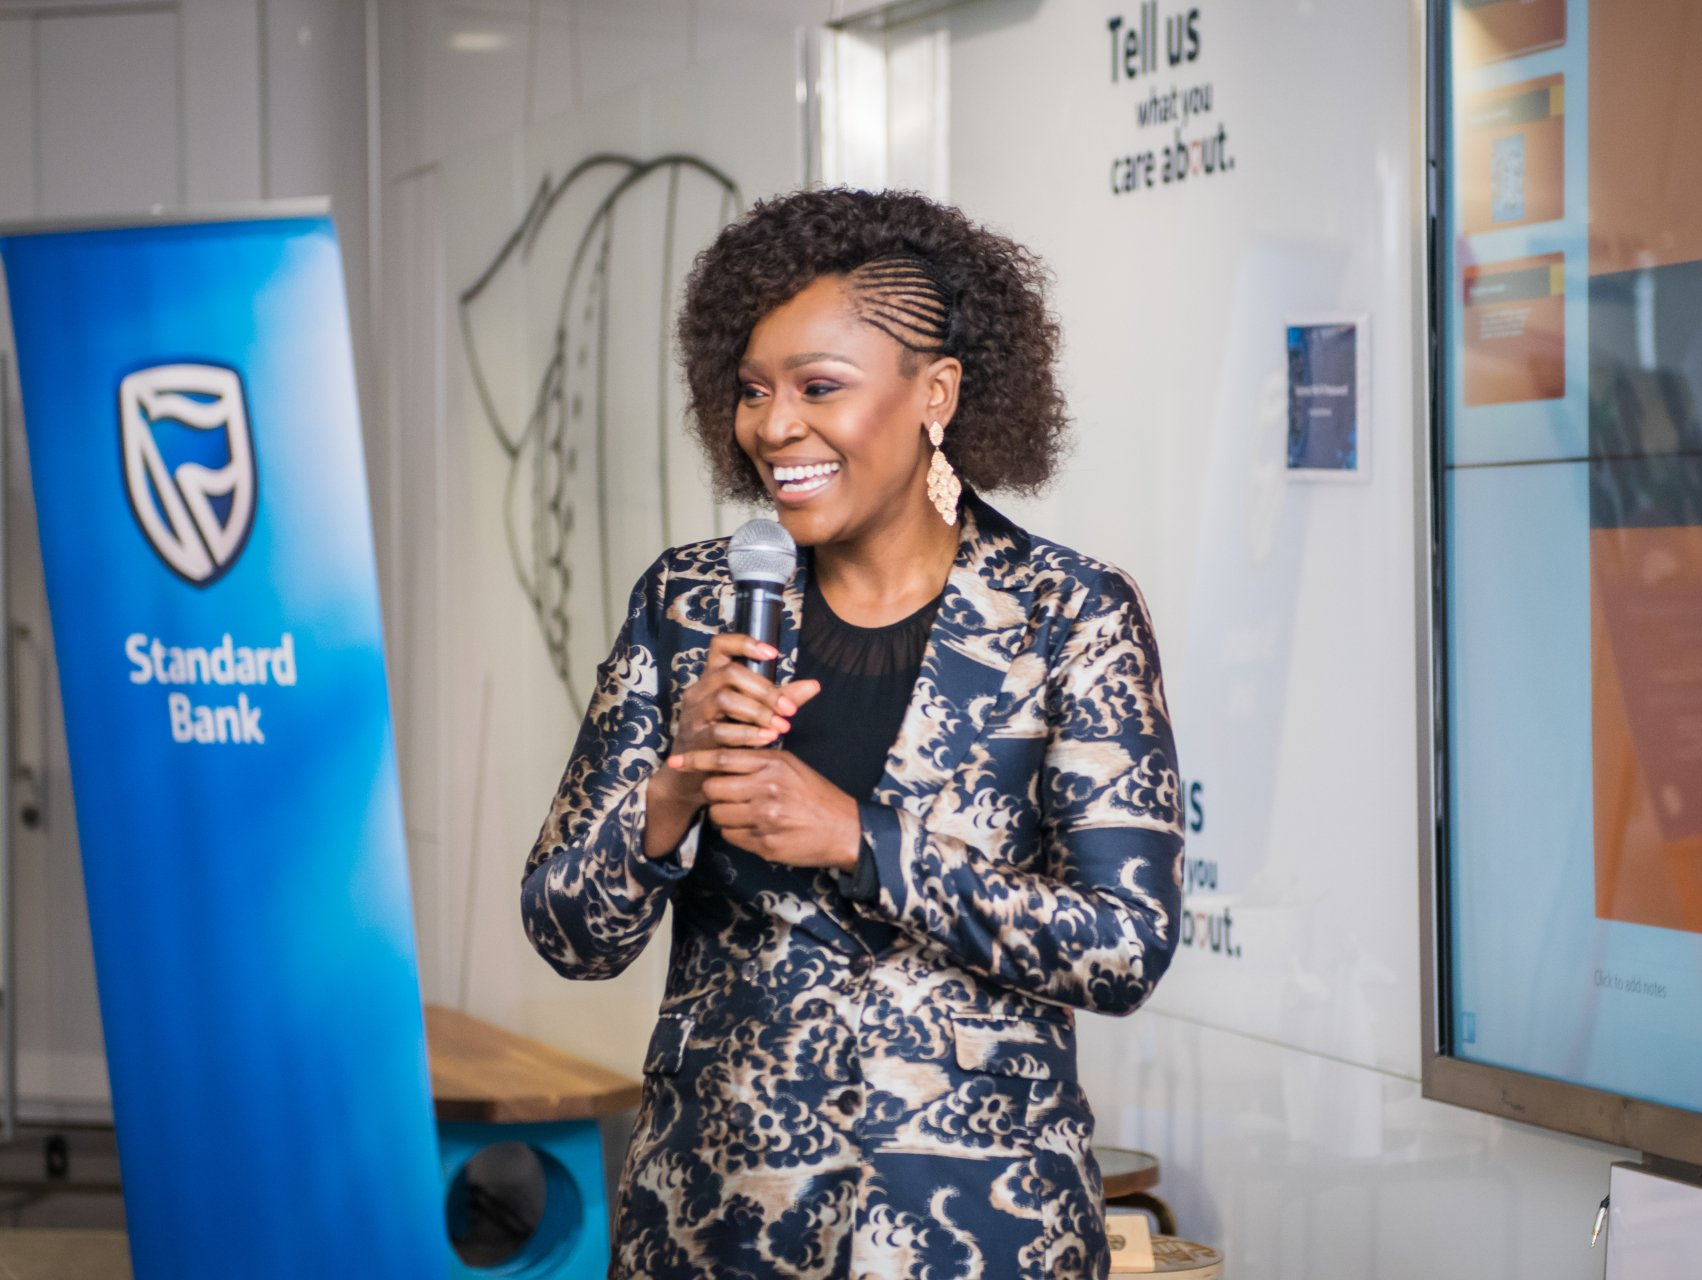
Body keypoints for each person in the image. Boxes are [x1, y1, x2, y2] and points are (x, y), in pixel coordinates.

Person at [521, 187, 1184, 1280]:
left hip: (975, 1229)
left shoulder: (1069, 613)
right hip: (713, 1222)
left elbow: (1120, 943)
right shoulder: (689, 604)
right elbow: (565, 931)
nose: (774, 426)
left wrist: (858, 838)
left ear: (936, 393)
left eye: (817, 387)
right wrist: (672, 789)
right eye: (750, 391)